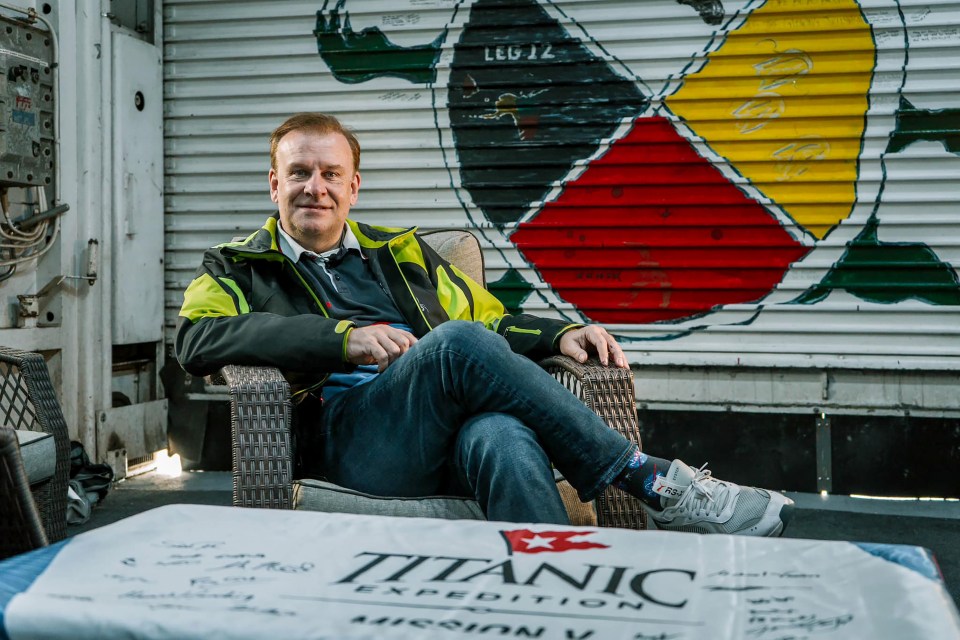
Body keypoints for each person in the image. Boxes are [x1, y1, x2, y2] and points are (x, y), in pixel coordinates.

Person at [176, 112, 794, 536]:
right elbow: (196, 338)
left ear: (354, 186)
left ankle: (556, 601)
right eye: (300, 173)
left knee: (501, 433)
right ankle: (649, 480)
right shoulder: (237, 264)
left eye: (331, 174)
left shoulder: (401, 253)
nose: (316, 188)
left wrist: (557, 335)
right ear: (274, 183)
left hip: (444, 437)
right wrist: (342, 340)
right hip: (349, 443)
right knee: (456, 343)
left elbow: (490, 319)